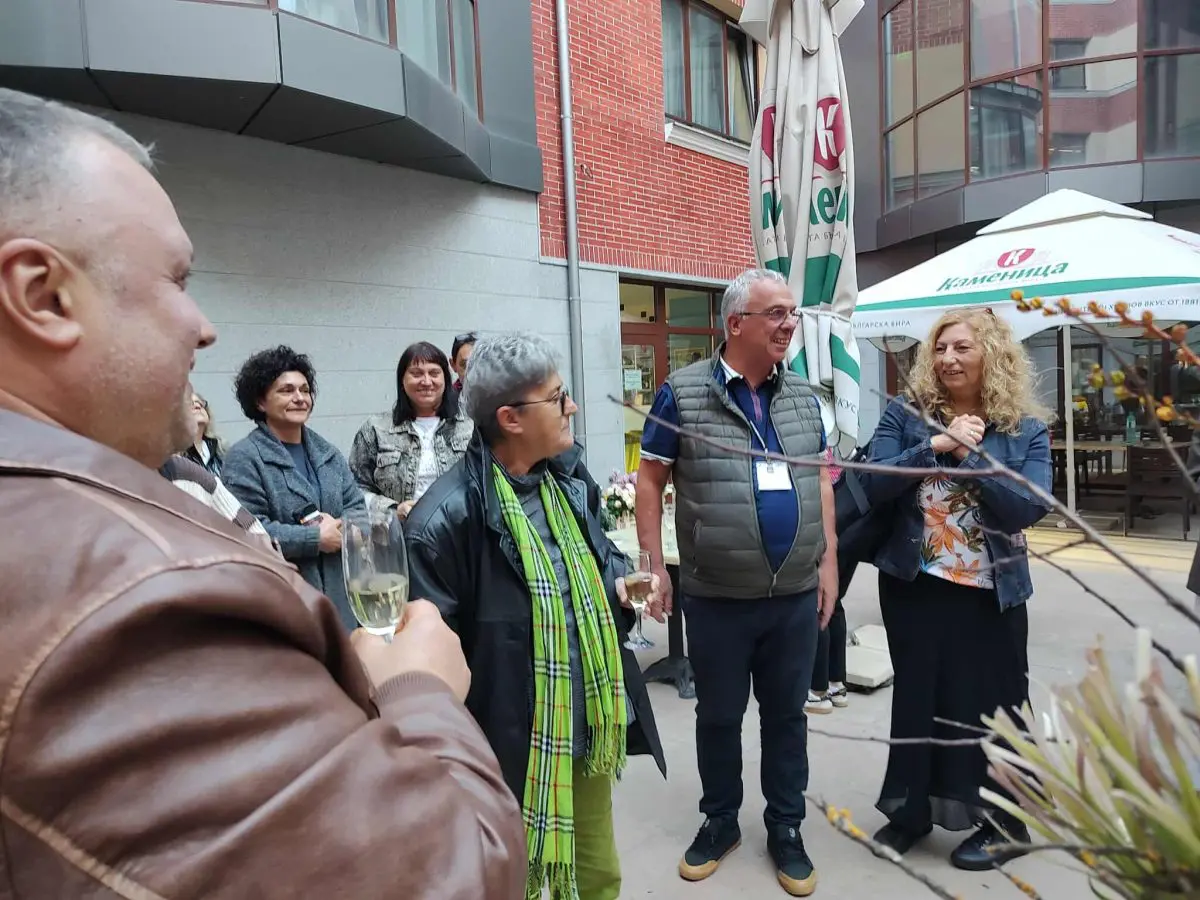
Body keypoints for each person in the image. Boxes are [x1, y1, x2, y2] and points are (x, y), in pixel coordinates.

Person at [0, 87, 525, 898]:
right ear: (42, 295)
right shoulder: (130, 587)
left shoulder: (161, 488)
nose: (202, 325)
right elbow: (444, 873)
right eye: (177, 278)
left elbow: (350, 504)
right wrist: (419, 693)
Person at [406, 333, 666, 900]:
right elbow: (429, 675)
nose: (571, 406)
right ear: (511, 418)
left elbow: (599, 557)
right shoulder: (441, 522)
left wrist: (616, 585)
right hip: (508, 742)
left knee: (599, 873)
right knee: (508, 879)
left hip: (587, 719)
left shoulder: (567, 478)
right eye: (557, 397)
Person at [636, 268, 837, 897]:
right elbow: (650, 479)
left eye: (792, 313)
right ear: (735, 324)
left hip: (793, 595)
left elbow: (820, 480)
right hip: (717, 596)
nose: (789, 324)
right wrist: (652, 564)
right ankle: (720, 820)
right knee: (719, 718)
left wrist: (829, 561)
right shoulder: (682, 394)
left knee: (787, 718)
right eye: (775, 313)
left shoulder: (804, 396)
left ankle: (786, 827)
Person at [864, 308, 1051, 870]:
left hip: (991, 593)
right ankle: (912, 811)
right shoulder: (906, 414)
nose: (948, 358)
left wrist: (969, 453)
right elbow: (873, 481)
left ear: (991, 354)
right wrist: (938, 444)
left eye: (962, 347)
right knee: (918, 700)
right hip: (915, 585)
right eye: (941, 348)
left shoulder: (1025, 429)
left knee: (995, 707)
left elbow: (1027, 506)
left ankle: (1005, 823)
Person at [222, 345, 368, 631]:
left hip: (343, 603)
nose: (300, 398)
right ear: (260, 402)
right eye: (287, 390)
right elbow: (245, 531)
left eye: (305, 390)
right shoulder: (245, 459)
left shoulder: (327, 453)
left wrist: (345, 530)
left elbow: (358, 509)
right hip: (283, 605)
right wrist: (313, 538)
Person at [350, 341, 472, 524]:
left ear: (445, 379)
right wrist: (392, 510)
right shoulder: (376, 429)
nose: (426, 381)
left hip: (459, 532)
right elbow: (354, 489)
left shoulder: (470, 426)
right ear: (402, 380)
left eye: (434, 373)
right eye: (416, 374)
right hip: (398, 534)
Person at [185, 390, 224, 475]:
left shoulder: (220, 449)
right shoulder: (173, 455)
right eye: (189, 404)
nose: (198, 406)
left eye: (200, 403)